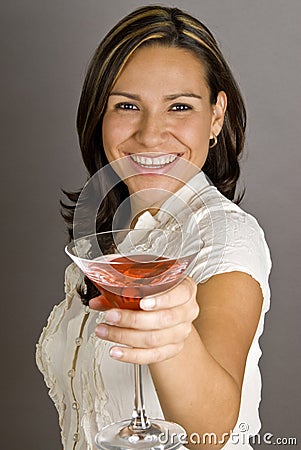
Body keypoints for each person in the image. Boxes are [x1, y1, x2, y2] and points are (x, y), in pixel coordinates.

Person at [36, 5, 271, 450]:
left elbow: (212, 430)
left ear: (217, 116)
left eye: (180, 106)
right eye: (127, 105)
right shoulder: (117, 236)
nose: (150, 134)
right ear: (98, 115)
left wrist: (173, 332)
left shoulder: (226, 237)